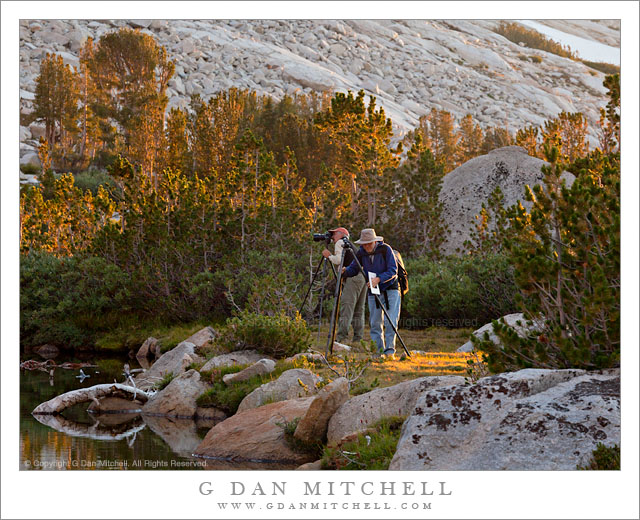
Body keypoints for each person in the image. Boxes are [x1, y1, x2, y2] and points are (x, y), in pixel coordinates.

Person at [342, 228, 400, 359]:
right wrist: (345, 271)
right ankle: (378, 352)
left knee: (390, 321)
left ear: (374, 241)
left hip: (390, 289)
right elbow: (354, 268)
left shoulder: (386, 250)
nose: (366, 246)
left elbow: (393, 271)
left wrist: (378, 279)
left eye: (369, 243)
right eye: (364, 243)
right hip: (373, 291)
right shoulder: (361, 253)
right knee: (374, 322)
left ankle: (390, 351)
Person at [322, 227, 367, 344]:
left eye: (334, 234)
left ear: (341, 234)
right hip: (362, 277)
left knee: (347, 306)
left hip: (353, 278)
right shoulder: (351, 245)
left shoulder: (341, 242)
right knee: (359, 309)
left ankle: (341, 337)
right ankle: (358, 339)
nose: (332, 237)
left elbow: (338, 260)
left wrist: (328, 256)